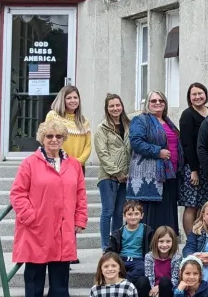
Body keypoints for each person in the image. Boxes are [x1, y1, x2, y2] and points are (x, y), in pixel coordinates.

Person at [9, 118, 87, 297]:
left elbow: (81, 194)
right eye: (49, 136)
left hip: (63, 223)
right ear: (42, 139)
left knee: (61, 263)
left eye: (58, 136)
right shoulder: (29, 164)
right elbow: (17, 193)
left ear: (64, 139)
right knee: (35, 265)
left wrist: (80, 219)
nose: (54, 140)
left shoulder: (74, 165)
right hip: (37, 223)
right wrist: (30, 217)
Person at [128, 90, 181, 233]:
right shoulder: (140, 120)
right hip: (150, 175)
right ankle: (150, 248)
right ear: (147, 104)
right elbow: (136, 142)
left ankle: (166, 249)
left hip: (169, 174)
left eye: (161, 100)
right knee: (153, 217)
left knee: (167, 215)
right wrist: (158, 152)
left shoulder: (168, 122)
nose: (158, 103)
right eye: (154, 101)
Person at [108, 200, 154, 297]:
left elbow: (151, 249)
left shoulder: (147, 230)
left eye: (136, 214)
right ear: (124, 216)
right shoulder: (119, 232)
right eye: (129, 214)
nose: (133, 217)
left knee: (141, 271)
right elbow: (111, 251)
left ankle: (126, 283)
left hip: (139, 259)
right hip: (122, 259)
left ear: (142, 215)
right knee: (116, 268)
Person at [95, 93, 130, 251]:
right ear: (107, 109)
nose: (115, 108)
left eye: (118, 105)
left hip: (125, 177)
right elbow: (102, 154)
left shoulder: (128, 125)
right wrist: (116, 172)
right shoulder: (102, 128)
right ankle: (105, 246)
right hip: (108, 176)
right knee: (108, 211)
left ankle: (115, 244)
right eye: (112, 106)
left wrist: (127, 173)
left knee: (118, 213)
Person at [178, 82, 208, 235]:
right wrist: (194, 170)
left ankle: (201, 237)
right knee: (192, 205)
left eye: (200, 93)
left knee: (204, 205)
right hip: (193, 167)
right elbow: (187, 145)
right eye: (194, 94)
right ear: (189, 97)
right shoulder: (187, 114)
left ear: (205, 94)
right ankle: (190, 239)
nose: (198, 97)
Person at [144, 226, 179, 297]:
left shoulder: (176, 257)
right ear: (155, 242)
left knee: (165, 281)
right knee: (141, 281)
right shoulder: (149, 256)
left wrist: (159, 288)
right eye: (161, 241)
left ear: (173, 242)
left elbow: (175, 280)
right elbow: (148, 276)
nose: (164, 245)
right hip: (153, 295)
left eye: (168, 241)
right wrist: (154, 288)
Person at [45, 85, 92, 167]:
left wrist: (78, 162)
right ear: (62, 100)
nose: (73, 100)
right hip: (58, 165)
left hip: (79, 167)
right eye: (69, 98)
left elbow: (88, 146)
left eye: (75, 97)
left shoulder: (84, 121)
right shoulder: (53, 116)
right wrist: (64, 161)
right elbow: (48, 141)